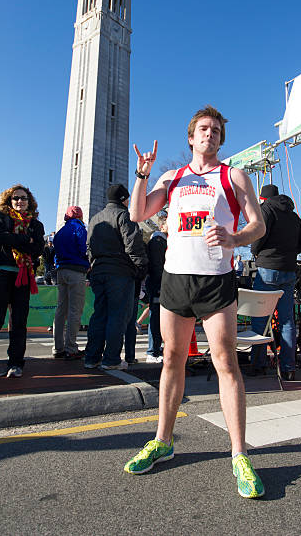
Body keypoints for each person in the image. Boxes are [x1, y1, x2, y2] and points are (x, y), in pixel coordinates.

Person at [124, 105, 266, 500]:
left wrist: (235, 238)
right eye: (204, 129)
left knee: (225, 362)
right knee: (172, 359)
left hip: (215, 280)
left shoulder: (233, 175)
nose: (210, 134)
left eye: (217, 131)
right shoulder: (173, 177)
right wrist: (143, 173)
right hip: (175, 280)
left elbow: (259, 223)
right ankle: (163, 440)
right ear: (190, 137)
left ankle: (239, 453)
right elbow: (137, 214)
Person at [250, 184, 301, 380]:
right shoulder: (292, 215)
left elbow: (259, 234)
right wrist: (291, 252)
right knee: (287, 321)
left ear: (263, 198)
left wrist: (255, 251)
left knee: (260, 319)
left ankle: (258, 365)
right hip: (288, 271)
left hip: (268, 269)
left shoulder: (266, 209)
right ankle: (289, 368)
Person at [0, 185, 44, 378]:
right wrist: (26, 240)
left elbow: (39, 248)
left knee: (19, 321)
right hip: (0, 275)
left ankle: (16, 363)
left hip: (23, 275)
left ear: (29, 201)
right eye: (16, 198)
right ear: (9, 200)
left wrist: (15, 240)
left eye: (23, 198)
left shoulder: (36, 224)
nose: (20, 201)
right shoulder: (0, 217)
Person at [85, 185, 148, 370]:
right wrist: (141, 267)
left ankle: (92, 357)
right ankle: (111, 359)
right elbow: (133, 244)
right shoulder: (124, 215)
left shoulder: (95, 218)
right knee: (118, 315)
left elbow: (89, 247)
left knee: (99, 314)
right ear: (124, 199)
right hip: (119, 272)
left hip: (98, 270)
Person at [52, 206, 88, 359]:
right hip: (76, 270)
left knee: (61, 309)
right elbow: (83, 249)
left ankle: (57, 347)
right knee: (75, 310)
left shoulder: (60, 232)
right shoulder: (79, 228)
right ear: (80, 216)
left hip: (61, 270)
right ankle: (71, 347)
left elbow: (54, 253)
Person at [145, 216, 168, 363]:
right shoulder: (158, 242)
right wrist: (160, 285)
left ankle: (155, 348)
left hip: (159, 283)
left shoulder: (159, 242)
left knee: (159, 317)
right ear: (162, 226)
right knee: (156, 317)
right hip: (158, 284)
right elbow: (157, 266)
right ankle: (152, 351)